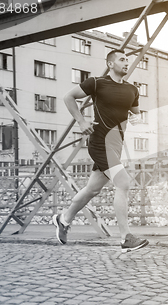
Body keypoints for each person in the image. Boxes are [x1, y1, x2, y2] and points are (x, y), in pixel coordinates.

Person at [52, 49, 149, 253]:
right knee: (123, 182)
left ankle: (64, 219)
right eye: (122, 60)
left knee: (92, 189)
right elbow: (68, 96)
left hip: (116, 144)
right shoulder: (96, 83)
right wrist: (81, 120)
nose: (126, 63)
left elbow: (136, 115)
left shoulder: (133, 90)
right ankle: (126, 238)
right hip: (100, 142)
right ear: (110, 64)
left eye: (127, 60)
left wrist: (137, 119)